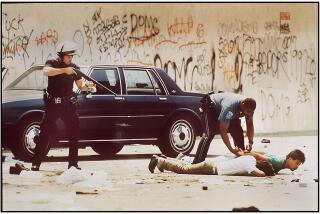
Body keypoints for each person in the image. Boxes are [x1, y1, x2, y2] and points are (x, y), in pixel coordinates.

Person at [31, 41, 96, 171]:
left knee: (74, 133)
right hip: (53, 105)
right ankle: (36, 163)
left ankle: (73, 164)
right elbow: (46, 71)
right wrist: (64, 70)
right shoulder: (53, 62)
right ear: (61, 55)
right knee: (44, 133)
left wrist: (89, 87)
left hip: (68, 105)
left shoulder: (74, 67)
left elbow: (80, 86)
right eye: (68, 56)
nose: (70, 58)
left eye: (72, 56)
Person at [192, 92, 256, 164]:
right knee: (209, 134)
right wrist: (231, 149)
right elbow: (223, 131)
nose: (249, 114)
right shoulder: (230, 108)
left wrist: (250, 142)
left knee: (238, 131)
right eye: (248, 111)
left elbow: (250, 125)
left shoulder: (249, 107)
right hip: (211, 106)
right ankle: (197, 162)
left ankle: (241, 158)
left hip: (228, 110)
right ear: (243, 104)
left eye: (251, 112)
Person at [148, 154, 275, 177]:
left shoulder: (251, 158)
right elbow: (260, 174)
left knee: (186, 165)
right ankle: (159, 161)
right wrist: (268, 174)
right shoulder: (250, 166)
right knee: (184, 169)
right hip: (211, 168)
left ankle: (164, 159)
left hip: (213, 165)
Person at [241, 149, 305, 173]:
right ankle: (242, 152)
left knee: (265, 153)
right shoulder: (278, 162)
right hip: (249, 161)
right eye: (297, 163)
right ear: (290, 158)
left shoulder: (283, 162)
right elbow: (257, 156)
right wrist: (242, 155)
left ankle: (244, 151)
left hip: (267, 156)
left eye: (299, 165)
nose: (297, 167)